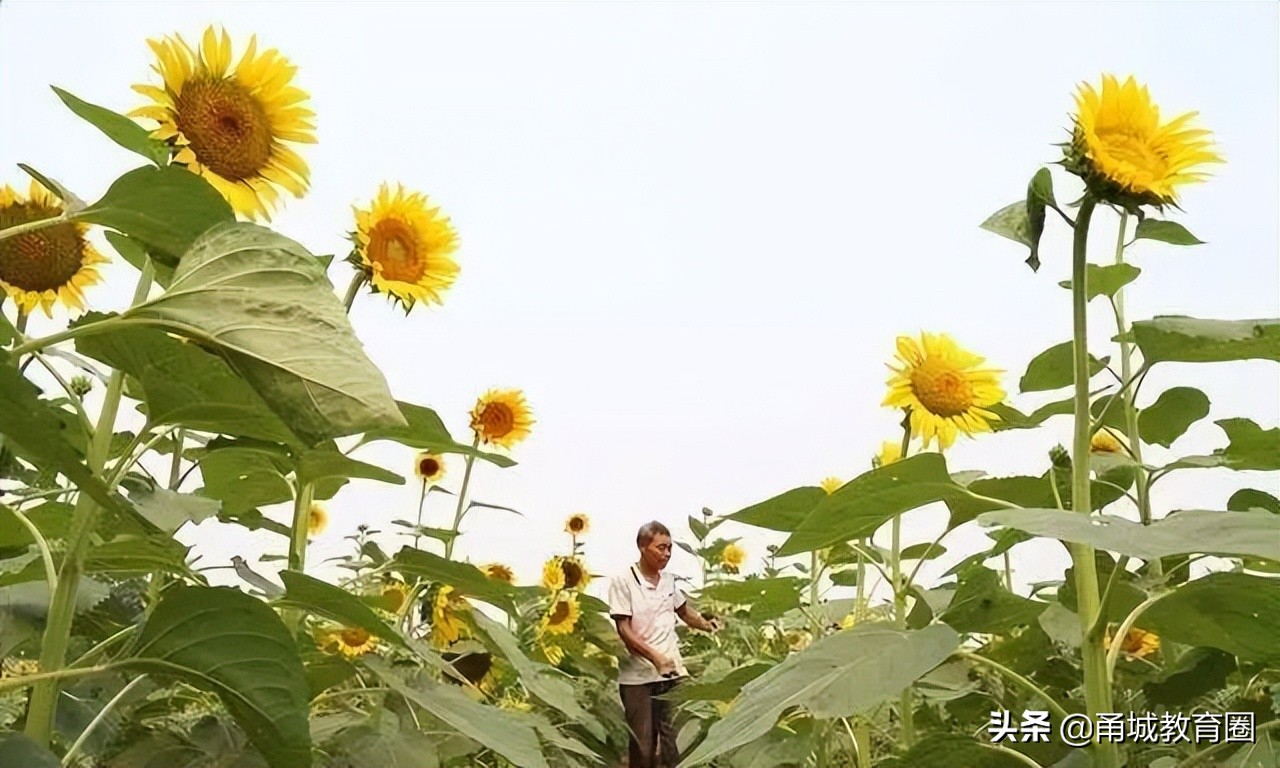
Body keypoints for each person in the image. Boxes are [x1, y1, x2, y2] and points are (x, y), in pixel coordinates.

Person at [608, 520, 719, 768]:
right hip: (638, 677)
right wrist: (655, 658)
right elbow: (624, 630)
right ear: (643, 547)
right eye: (661, 548)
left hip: (671, 673)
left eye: (670, 548)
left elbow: (684, 611)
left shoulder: (668, 581)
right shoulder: (624, 581)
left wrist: (706, 624)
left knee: (674, 745)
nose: (667, 554)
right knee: (643, 748)